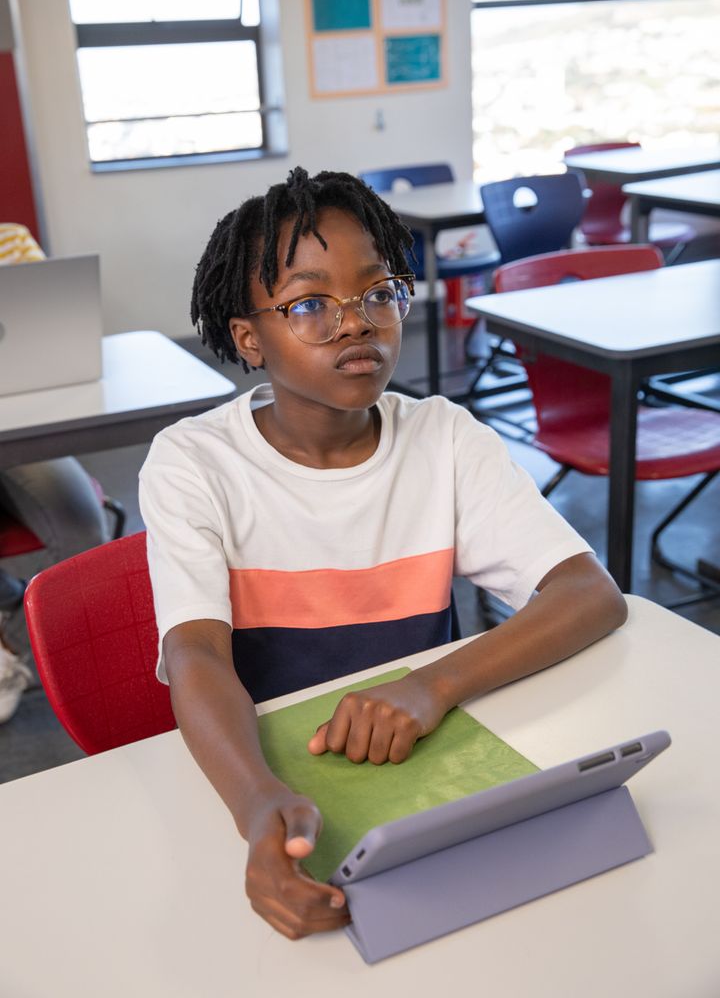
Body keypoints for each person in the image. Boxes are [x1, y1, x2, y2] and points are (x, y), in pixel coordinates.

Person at [138, 168, 627, 941]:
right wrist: (257, 800)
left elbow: (588, 594)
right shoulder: (193, 463)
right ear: (248, 338)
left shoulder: (444, 436)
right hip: (270, 763)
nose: (357, 321)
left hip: (423, 760)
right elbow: (195, 655)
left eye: (377, 292)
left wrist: (431, 687)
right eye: (308, 304)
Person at [0, 223, 109, 723]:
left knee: (82, 523)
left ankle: (77, 660)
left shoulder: (12, 240)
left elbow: (58, 330)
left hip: (21, 423)